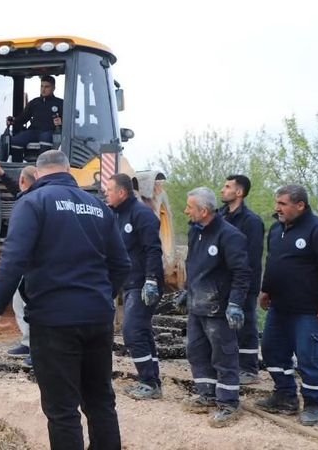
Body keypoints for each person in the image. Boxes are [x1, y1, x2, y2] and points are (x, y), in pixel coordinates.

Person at [0, 150, 129, 450]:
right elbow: (121, 264)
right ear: (68, 170)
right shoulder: (98, 207)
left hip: (53, 321)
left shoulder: (32, 203)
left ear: (38, 175)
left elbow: (13, 258)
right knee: (101, 400)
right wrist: (102, 297)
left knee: (62, 409)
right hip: (97, 317)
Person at [255, 184, 318, 427]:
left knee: (310, 359)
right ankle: (285, 396)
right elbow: (272, 261)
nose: (277, 208)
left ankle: (314, 405)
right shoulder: (276, 230)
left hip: (310, 311)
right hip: (279, 308)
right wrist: (266, 289)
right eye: (277, 203)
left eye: (283, 204)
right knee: (273, 352)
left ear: (300, 205)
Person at [180, 187, 250, 427]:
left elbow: (242, 273)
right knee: (197, 352)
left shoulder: (229, 236)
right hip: (197, 305)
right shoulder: (195, 231)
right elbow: (194, 266)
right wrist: (186, 292)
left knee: (224, 356)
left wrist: (235, 304)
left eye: (190, 207)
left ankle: (229, 403)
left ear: (204, 210)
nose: (186, 211)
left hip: (219, 309)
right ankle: (206, 395)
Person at [104, 173, 165, 401]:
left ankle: (149, 382)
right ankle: (153, 380)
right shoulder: (113, 214)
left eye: (109, 190)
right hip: (127, 283)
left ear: (121, 192)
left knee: (132, 331)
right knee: (143, 331)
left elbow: (153, 250)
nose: (105, 194)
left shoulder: (142, 215)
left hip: (143, 284)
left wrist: (151, 280)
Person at [0, 160, 37, 367]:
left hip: (32, 264)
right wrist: (3, 175)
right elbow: (18, 189)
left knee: (32, 306)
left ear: (24, 180)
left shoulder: (34, 201)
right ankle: (27, 342)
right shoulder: (29, 196)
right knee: (19, 302)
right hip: (26, 263)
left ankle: (38, 350)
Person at [218, 174, 266, 385]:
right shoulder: (219, 216)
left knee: (246, 324)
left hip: (244, 283)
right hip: (222, 282)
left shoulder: (251, 221)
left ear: (239, 192)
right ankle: (230, 365)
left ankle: (249, 369)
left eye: (227, 187)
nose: (222, 190)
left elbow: (252, 258)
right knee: (226, 325)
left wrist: (244, 287)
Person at [7, 75, 63, 155]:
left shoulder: (60, 103)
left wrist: (61, 121)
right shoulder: (34, 102)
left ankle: (43, 164)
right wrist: (13, 121)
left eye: (47, 87)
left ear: (53, 88)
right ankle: (15, 164)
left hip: (50, 131)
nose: (43, 89)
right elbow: (24, 117)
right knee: (15, 140)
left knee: (45, 138)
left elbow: (68, 121)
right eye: (42, 86)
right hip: (34, 131)